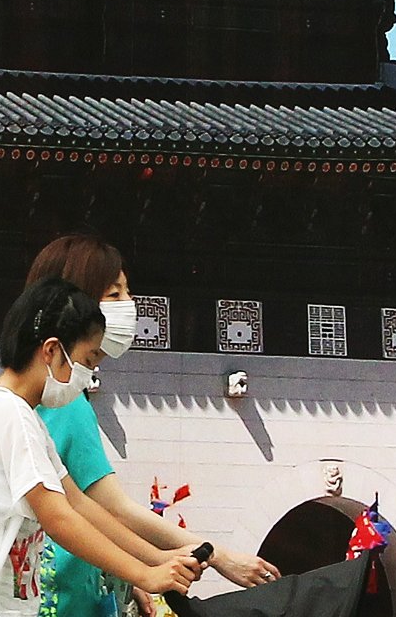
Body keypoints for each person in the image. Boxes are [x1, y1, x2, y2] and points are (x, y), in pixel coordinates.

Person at [27, 235, 281, 617]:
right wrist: (218, 555)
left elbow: (87, 509)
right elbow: (114, 509)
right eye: (114, 295)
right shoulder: (68, 406)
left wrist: (135, 572)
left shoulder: (34, 401)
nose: (129, 306)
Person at [0, 278, 202, 617]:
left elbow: (79, 503)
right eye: (88, 359)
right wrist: (146, 574)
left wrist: (159, 558)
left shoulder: (17, 415)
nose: (91, 373)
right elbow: (59, 518)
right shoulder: (10, 416)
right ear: (52, 350)